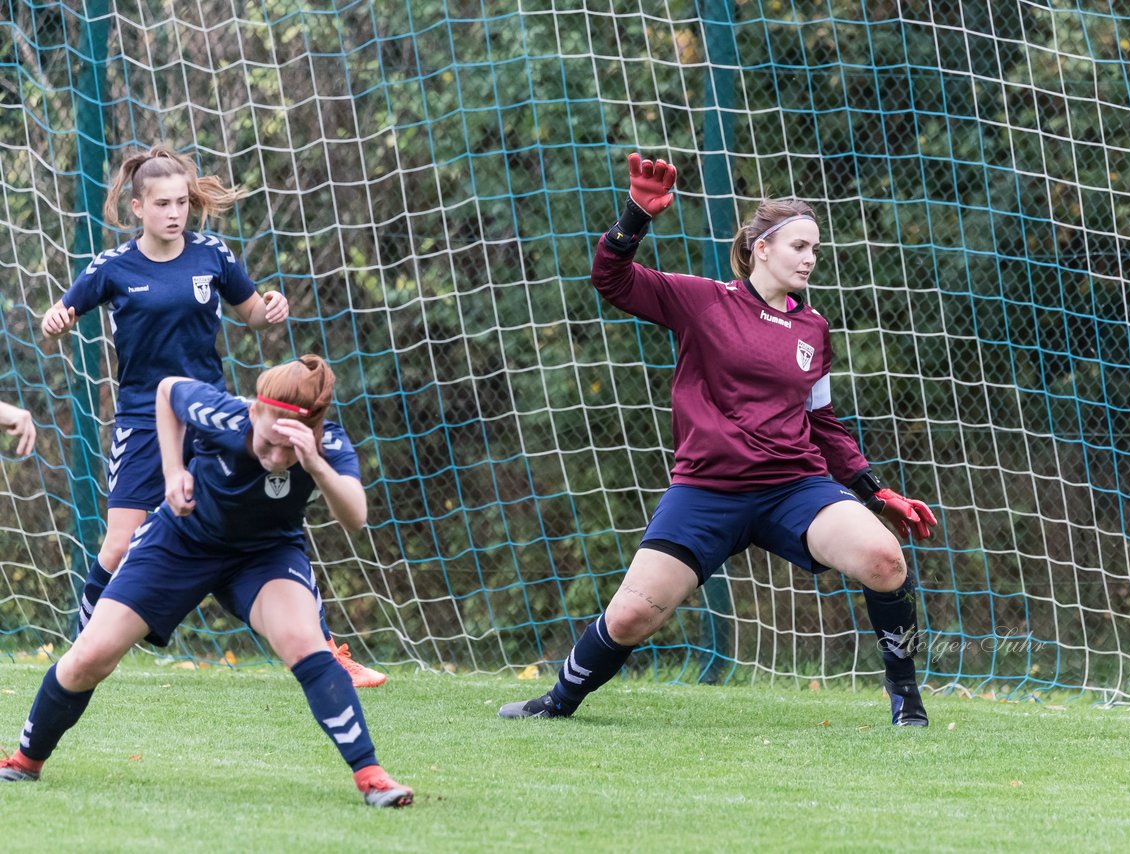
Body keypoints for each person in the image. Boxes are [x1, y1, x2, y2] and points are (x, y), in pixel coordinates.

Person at [500, 154, 938, 726]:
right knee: (632, 617)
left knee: (884, 558)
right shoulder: (705, 300)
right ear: (761, 247)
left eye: (815, 249)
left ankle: (906, 701)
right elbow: (611, 279)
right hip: (707, 491)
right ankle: (556, 702)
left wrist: (873, 491)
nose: (809, 259)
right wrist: (635, 216)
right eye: (798, 247)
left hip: (793, 486)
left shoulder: (814, 329)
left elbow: (824, 424)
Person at [0, 356, 413, 807]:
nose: (276, 458)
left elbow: (355, 516)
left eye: (289, 449)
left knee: (306, 643)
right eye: (270, 442)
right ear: (255, 411)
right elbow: (167, 390)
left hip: (265, 554)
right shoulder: (221, 413)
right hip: (182, 539)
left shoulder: (327, 446)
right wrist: (174, 470)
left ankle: (373, 777)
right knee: (90, 657)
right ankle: (25, 761)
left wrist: (313, 463)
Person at [41, 145, 384, 687]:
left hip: (212, 421)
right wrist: (57, 319)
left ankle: (324, 650)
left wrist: (270, 305)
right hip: (140, 420)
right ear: (137, 208)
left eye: (181, 202)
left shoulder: (213, 255)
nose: (174, 213)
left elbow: (252, 313)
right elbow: (59, 313)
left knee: (271, 529)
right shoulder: (113, 267)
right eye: (162, 204)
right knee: (118, 545)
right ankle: (80, 653)